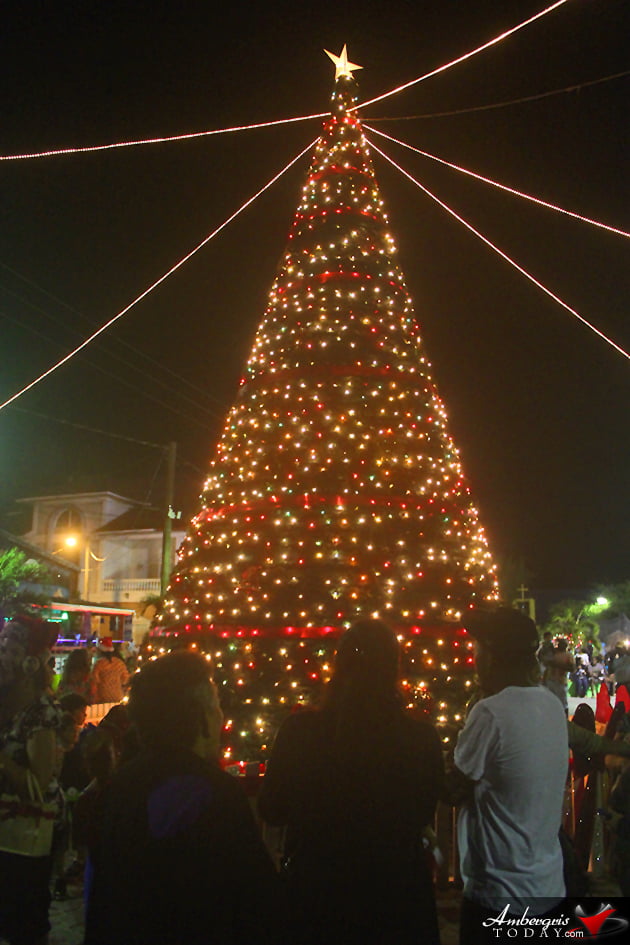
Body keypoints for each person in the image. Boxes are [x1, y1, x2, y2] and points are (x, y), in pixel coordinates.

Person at [258, 618, 444, 945]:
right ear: (393, 668)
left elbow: (272, 808)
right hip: (396, 897)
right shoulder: (420, 738)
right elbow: (422, 811)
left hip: (318, 894)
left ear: (338, 665)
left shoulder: (300, 732)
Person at [85, 650, 283, 945]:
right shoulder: (215, 793)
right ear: (200, 717)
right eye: (215, 705)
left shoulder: (119, 786)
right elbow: (254, 902)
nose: (221, 716)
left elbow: (101, 898)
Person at [452, 608, 568, 943]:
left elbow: (454, 787)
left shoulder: (490, 712)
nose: (473, 659)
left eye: (477, 650)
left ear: (492, 656)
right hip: (548, 890)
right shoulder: (550, 705)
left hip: (499, 899)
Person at [0, 616, 62, 945]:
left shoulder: (40, 712)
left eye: (9, 648)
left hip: (25, 839)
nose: (1, 656)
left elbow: (38, 785)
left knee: (22, 922)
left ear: (30, 662)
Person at [88, 637, 129, 704]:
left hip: (102, 698)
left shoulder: (99, 664)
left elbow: (94, 683)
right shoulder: (119, 663)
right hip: (118, 697)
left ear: (100, 650)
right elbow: (125, 680)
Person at [544, 638, 575, 714]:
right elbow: (546, 663)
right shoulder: (553, 654)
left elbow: (573, 668)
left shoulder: (568, 656)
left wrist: (559, 665)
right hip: (551, 680)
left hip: (561, 681)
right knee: (550, 702)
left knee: (563, 703)